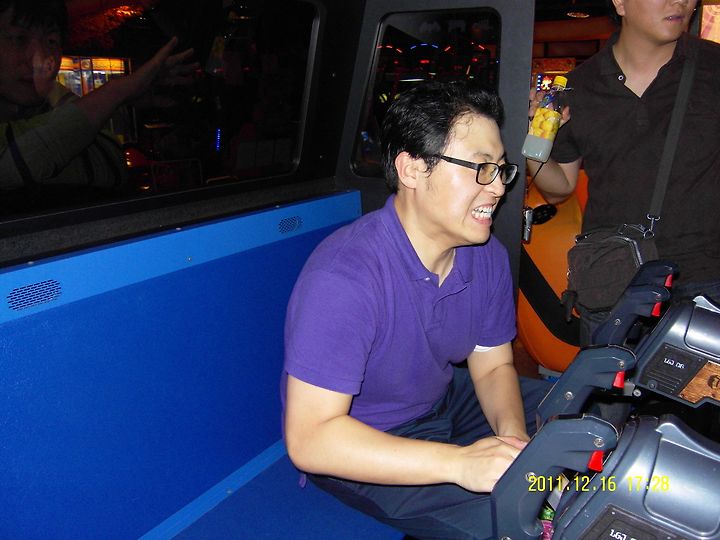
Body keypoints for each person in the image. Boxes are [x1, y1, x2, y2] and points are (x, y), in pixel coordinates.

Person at [281, 80, 550, 540]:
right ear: (412, 169)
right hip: (363, 441)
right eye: (480, 169)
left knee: (579, 417)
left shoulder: (484, 256)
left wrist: (513, 440)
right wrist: (461, 464)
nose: (498, 189)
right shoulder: (344, 276)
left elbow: (492, 366)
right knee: (517, 522)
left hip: (441, 401)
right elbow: (311, 439)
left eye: (500, 170)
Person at [527, 0, 720, 345]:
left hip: (707, 279)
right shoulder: (579, 86)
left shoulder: (713, 68)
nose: (681, 1)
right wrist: (533, 139)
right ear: (619, 2)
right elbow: (559, 188)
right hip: (614, 280)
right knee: (608, 381)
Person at [0, 0, 196, 209]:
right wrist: (117, 91)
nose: (40, 59)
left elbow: (112, 160)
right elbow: (12, 164)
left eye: (51, 41)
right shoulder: (58, 115)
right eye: (19, 39)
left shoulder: (50, 109)